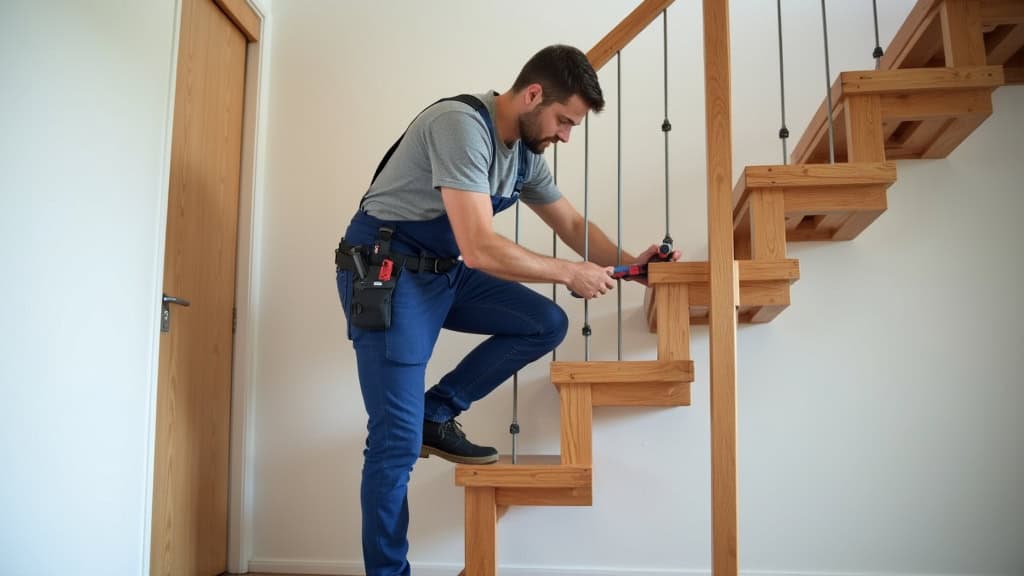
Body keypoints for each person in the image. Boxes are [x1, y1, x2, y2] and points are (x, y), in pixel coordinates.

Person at [334, 44, 679, 576]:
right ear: (533, 95)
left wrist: (634, 264)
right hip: (388, 273)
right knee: (393, 442)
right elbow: (479, 247)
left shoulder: (523, 156)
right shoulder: (460, 126)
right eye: (564, 121)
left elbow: (571, 224)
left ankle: (435, 412)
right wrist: (568, 273)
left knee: (544, 322)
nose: (566, 136)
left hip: (442, 271)